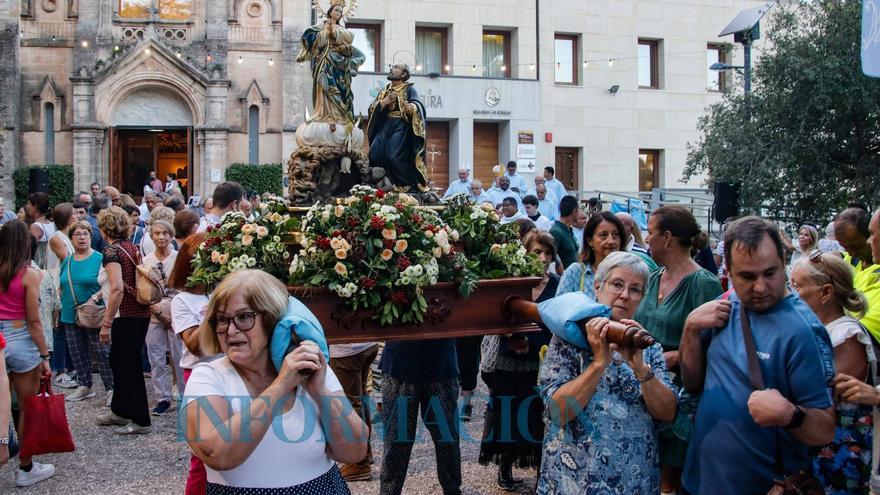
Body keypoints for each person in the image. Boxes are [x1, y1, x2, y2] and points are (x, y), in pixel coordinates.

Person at [680, 216, 836, 494]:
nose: (761, 287)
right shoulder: (726, 304)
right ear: (729, 270)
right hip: (699, 479)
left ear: (783, 261)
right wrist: (690, 329)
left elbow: (824, 430)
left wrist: (791, 415)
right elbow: (692, 383)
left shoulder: (802, 331)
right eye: (748, 277)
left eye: (770, 273)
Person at [184, 269, 366, 493]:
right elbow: (218, 454)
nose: (230, 330)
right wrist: (281, 385)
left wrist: (319, 390)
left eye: (243, 317)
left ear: (272, 319)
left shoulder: (309, 368)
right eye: (222, 320)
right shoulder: (208, 376)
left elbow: (355, 452)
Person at [538, 251, 677, 494]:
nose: (624, 295)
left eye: (635, 290)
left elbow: (668, 412)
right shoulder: (569, 339)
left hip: (635, 481)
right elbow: (558, 412)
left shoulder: (648, 346)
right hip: (574, 481)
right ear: (597, 287)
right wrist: (598, 363)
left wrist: (641, 368)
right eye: (617, 284)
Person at [632, 205, 723, 493]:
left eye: (650, 231)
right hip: (644, 388)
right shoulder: (654, 276)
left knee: (669, 481)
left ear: (668, 238)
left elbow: (718, 347)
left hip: (682, 398)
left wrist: (674, 356)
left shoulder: (703, 284)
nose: (646, 239)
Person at [789, 250, 875, 493]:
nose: (792, 294)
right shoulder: (819, 330)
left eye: (797, 286)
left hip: (840, 458)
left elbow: (820, 395)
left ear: (825, 292)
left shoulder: (846, 336)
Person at [480, 231, 557, 490]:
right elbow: (494, 315)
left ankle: (540, 471)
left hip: (542, 360)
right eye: (537, 252)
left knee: (538, 417)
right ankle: (505, 467)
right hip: (509, 360)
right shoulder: (513, 281)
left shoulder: (557, 284)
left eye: (547, 253)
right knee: (508, 413)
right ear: (526, 252)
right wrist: (512, 336)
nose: (543, 258)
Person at [0, 220, 55, 487]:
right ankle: (26, 466)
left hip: (0, 337)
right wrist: (45, 356)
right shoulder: (28, 274)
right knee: (27, 407)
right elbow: (34, 321)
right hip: (21, 336)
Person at [95, 206, 153, 435]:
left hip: (125, 314)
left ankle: (140, 420)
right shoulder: (130, 246)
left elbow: (117, 288)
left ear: (103, 228)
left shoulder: (111, 252)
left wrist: (106, 322)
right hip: (140, 312)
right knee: (118, 360)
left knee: (129, 366)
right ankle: (120, 410)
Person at [379, 337, 461, 493]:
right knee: (396, 440)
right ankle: (389, 491)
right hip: (400, 364)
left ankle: (453, 489)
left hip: (441, 364)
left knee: (447, 438)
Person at [166, 233, 212, 495]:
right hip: (198, 373)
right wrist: (215, 309)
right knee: (202, 453)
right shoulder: (181, 301)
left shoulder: (217, 291)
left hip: (230, 371)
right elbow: (194, 344)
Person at [59, 220, 113, 403]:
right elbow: (62, 284)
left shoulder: (100, 258)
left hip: (93, 313)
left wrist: (96, 297)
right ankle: (85, 385)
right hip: (69, 313)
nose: (81, 238)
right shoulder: (67, 260)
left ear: (91, 237)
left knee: (101, 352)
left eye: (85, 234)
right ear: (71, 238)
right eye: (77, 234)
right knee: (77, 351)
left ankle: (111, 388)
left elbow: (109, 283)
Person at [298, 0, 365, 124]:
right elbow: (312, 38)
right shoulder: (321, 26)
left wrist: (334, 33)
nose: (338, 13)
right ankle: (323, 114)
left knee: (339, 88)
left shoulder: (342, 29)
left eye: (340, 11)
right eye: (336, 10)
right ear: (330, 11)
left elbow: (348, 40)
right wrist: (326, 32)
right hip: (325, 60)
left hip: (339, 65)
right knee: (324, 86)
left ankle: (339, 116)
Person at [367, 63, 429, 192]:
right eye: (391, 67)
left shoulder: (409, 89)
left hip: (400, 126)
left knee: (393, 156)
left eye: (395, 68)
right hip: (385, 125)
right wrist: (383, 103)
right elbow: (372, 108)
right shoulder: (384, 90)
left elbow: (418, 105)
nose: (391, 69)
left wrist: (412, 108)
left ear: (404, 74)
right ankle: (380, 184)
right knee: (374, 154)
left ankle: (405, 184)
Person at [141, 220, 181, 416]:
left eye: (165, 233)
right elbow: (143, 289)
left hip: (176, 309)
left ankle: (184, 394)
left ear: (171, 235)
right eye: (157, 233)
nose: (161, 237)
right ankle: (162, 398)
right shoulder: (147, 260)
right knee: (155, 356)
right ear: (151, 236)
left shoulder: (178, 257)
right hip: (154, 310)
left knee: (179, 355)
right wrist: (155, 309)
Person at [329, 336, 379, 481]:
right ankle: (364, 453)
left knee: (349, 405)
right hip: (367, 342)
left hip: (347, 349)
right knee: (360, 399)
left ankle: (359, 463)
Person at [556, 211, 626, 298]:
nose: (611, 241)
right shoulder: (575, 272)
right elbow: (559, 308)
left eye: (616, 235)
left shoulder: (628, 274)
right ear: (590, 241)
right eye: (603, 235)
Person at [835, 207, 880, 341]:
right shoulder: (851, 261)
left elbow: (855, 334)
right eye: (845, 247)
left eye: (855, 246)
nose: (850, 253)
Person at [46, 203, 76, 388]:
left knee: (66, 328)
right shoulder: (56, 239)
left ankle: (68, 366)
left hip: (66, 286)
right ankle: (58, 370)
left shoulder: (67, 237)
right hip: (57, 286)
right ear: (69, 218)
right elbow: (68, 260)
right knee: (58, 329)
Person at [23, 192, 55, 269]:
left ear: (36, 206)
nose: (27, 207)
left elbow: (30, 250)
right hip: (51, 264)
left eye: (29, 204)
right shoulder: (51, 224)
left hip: (39, 266)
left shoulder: (35, 226)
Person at [549, 196, 581, 269]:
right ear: (574, 212)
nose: (579, 214)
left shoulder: (568, 229)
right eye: (578, 211)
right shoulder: (555, 232)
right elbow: (550, 256)